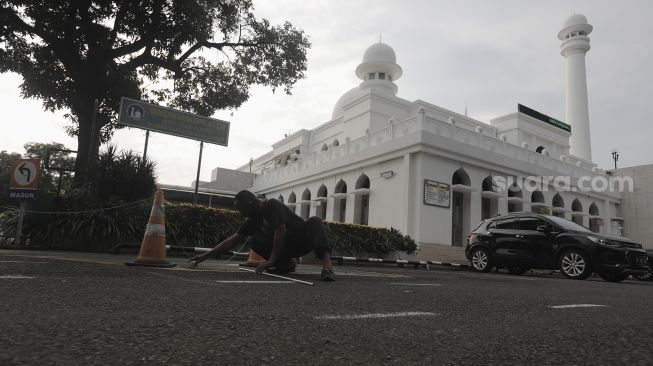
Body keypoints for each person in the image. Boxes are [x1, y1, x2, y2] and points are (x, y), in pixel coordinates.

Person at [188, 190, 336, 281]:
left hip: (301, 240)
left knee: (315, 221)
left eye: (243, 209)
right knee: (255, 242)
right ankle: (286, 265)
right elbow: (232, 241)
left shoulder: (272, 205)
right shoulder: (253, 218)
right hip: (286, 248)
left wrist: (270, 260)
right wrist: (204, 256)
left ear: (255, 202)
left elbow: (280, 232)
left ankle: (327, 268)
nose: (242, 214)